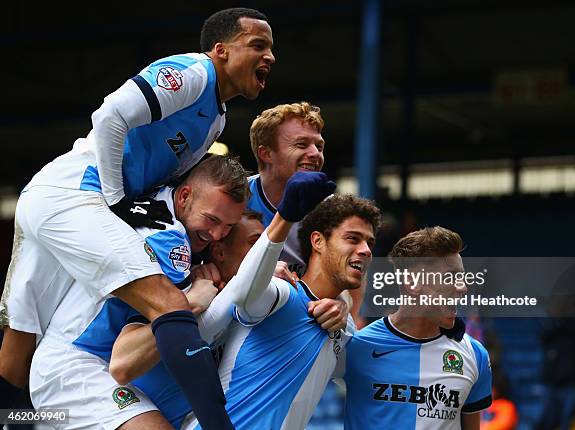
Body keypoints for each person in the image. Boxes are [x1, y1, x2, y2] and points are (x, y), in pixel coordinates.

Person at [0, 8, 274, 424]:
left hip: (54, 200)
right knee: (169, 302)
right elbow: (110, 116)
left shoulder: (216, 119)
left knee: (17, 357)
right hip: (76, 194)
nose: (270, 56)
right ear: (220, 50)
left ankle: (19, 421)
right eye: (258, 45)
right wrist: (115, 200)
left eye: (271, 48)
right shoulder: (195, 73)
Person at [28, 155, 249, 429]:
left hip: (72, 360)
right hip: (75, 367)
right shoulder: (169, 239)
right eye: (212, 220)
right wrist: (193, 297)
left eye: (229, 226)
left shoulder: (152, 196)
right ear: (184, 197)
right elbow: (176, 317)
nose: (217, 234)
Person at [109, 171, 338, 428]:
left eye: (227, 227)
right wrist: (190, 303)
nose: (217, 233)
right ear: (218, 251)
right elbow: (121, 364)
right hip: (119, 409)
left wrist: (337, 309)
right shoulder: (181, 288)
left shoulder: (257, 305)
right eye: (253, 245)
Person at [181, 194, 381, 430]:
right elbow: (244, 293)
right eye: (353, 238)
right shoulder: (282, 292)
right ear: (317, 241)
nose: (366, 250)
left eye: (369, 243)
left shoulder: (342, 325)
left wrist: (343, 304)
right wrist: (284, 216)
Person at [341, 227, 493, 429]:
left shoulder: (475, 355)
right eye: (450, 277)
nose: (463, 287)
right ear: (412, 282)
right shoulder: (356, 346)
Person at [246, 101, 350, 324]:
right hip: (242, 315)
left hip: (304, 317)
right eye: (301, 144)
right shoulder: (235, 198)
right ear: (266, 154)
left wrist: (344, 305)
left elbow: (353, 273)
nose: (315, 154)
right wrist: (259, 272)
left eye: (319, 147)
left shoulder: (330, 209)